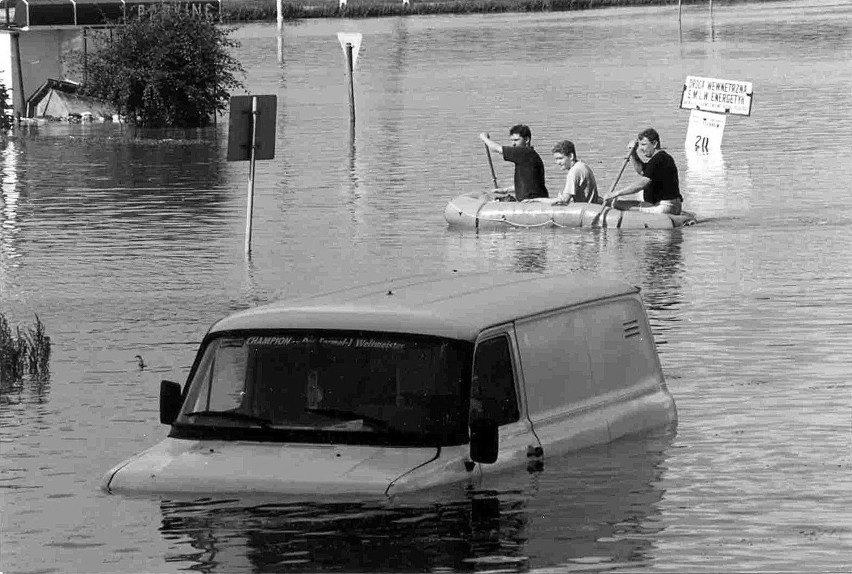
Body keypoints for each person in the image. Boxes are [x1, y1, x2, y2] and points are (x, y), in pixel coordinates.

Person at [603, 128, 683, 214]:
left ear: (655, 144)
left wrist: (616, 193)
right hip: (670, 205)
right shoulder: (661, 158)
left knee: (615, 204)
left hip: (663, 207)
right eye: (640, 145)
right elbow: (642, 171)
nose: (640, 148)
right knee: (626, 200)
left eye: (644, 144)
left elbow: (642, 183)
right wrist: (633, 153)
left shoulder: (658, 159)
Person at [479, 125, 549, 202]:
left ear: (526, 140)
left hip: (532, 202)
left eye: (516, 140)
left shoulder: (524, 152)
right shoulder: (529, 156)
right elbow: (528, 184)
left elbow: (497, 149)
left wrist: (484, 138)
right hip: (531, 199)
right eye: (512, 140)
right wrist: (505, 190)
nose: (513, 144)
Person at [551, 140, 600, 204]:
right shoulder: (582, 165)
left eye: (560, 158)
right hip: (592, 204)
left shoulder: (574, 172)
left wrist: (539, 200)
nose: (557, 162)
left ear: (571, 156)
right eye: (556, 159)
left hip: (585, 208)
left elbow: (564, 200)